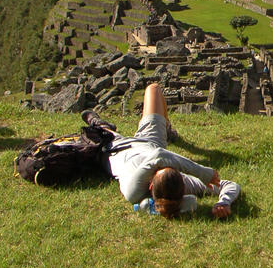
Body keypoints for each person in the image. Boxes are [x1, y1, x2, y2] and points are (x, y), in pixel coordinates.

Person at [95, 82, 239, 219]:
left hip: (116, 147)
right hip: (151, 143)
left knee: (101, 131)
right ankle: (166, 129)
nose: (164, 164)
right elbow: (229, 185)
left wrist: (203, 173)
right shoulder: (186, 183)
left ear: (151, 185)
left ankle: (98, 123)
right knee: (154, 89)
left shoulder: (133, 191)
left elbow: (160, 156)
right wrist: (224, 202)